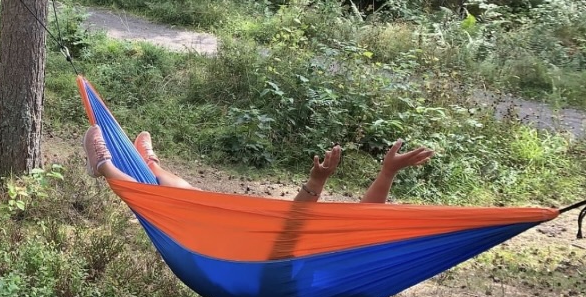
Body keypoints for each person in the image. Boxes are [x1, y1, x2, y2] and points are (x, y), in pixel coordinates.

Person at [83, 126, 434, 203]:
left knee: (180, 205)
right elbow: (366, 223)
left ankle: (106, 168)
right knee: (194, 196)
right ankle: (151, 166)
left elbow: (290, 234)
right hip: (260, 252)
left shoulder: (340, 262)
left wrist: (317, 181)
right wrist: (388, 172)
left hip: (259, 269)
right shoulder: (351, 252)